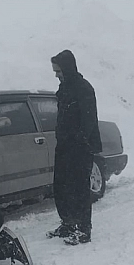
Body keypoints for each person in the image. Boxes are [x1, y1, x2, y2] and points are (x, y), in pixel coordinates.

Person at [47, 49, 102, 245]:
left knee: (79, 188)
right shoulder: (64, 89)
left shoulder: (84, 89)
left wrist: (78, 141)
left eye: (58, 71)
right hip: (64, 145)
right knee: (61, 187)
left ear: (68, 68)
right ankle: (68, 223)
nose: (56, 75)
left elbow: (88, 121)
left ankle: (83, 229)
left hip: (80, 147)